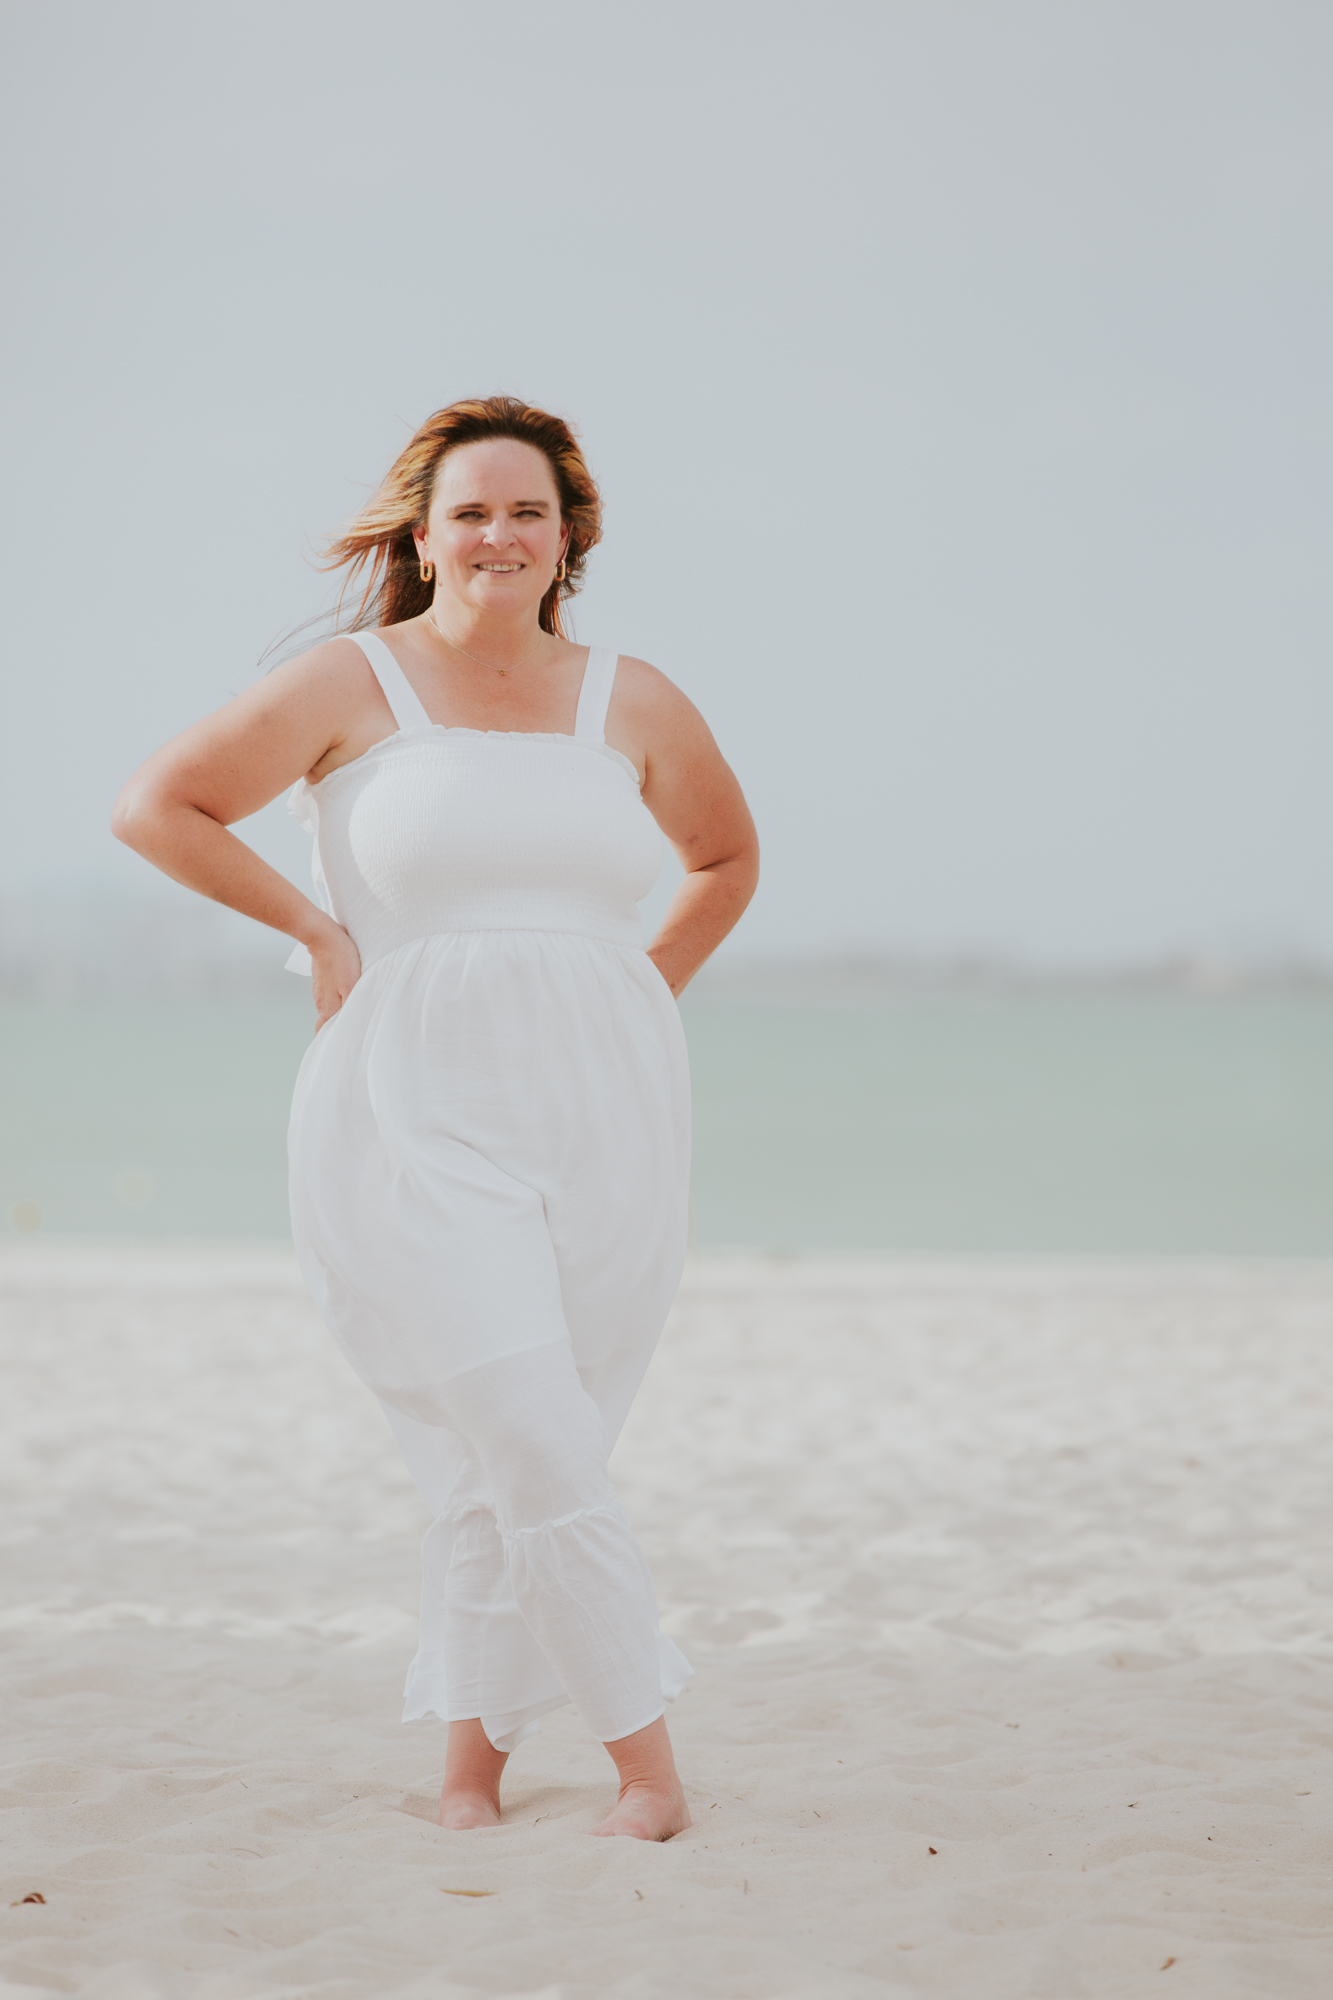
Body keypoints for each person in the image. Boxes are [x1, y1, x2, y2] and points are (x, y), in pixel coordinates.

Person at [112, 396, 760, 1841]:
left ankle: (470, 1772)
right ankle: (648, 1767)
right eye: (470, 511)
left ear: (569, 536)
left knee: (520, 1440)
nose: (498, 535)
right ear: (422, 533)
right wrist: (317, 933)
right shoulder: (354, 683)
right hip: (410, 1109)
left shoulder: (632, 699)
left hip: (607, 1115)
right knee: (527, 1422)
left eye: (528, 511)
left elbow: (723, 858)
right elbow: (161, 807)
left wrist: (638, 989)